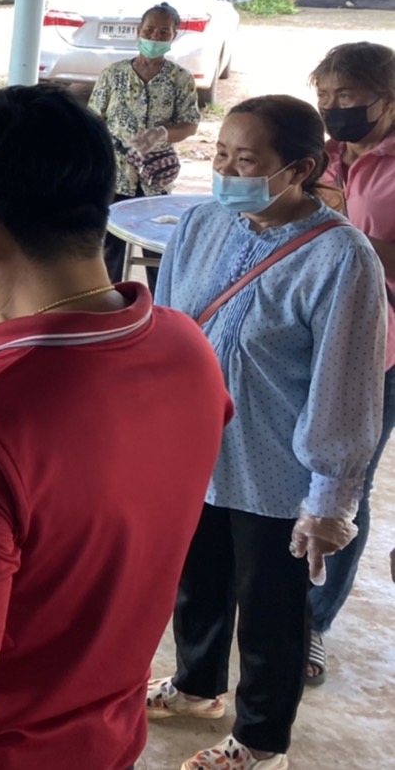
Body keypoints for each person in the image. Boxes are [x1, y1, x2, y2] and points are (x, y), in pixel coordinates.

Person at [0, 85, 232, 770]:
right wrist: (0, 348)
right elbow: (102, 435)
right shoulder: (187, 350)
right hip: (110, 744)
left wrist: (4, 380)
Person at [147, 95, 386, 770]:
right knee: (197, 579)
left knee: (272, 612)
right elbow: (168, 333)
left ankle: (260, 743)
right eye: (220, 154)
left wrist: (330, 499)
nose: (226, 169)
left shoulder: (341, 259)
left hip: (278, 470)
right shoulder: (200, 225)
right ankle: (195, 688)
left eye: (245, 160)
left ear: (300, 168)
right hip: (199, 455)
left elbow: (345, 386)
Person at [304, 43, 395, 683]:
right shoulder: (327, 156)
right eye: (327, 96)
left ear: (387, 100)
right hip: (332, 340)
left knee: (347, 491)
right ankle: (292, 607)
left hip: (388, 348)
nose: (336, 109)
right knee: (319, 480)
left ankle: (312, 622)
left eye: (349, 97)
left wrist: (356, 250)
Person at [87, 2, 201, 286]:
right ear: (138, 32)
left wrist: (161, 134)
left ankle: (159, 310)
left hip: (155, 178)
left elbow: (190, 123)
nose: (155, 37)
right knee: (109, 248)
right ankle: (110, 308)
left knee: (157, 249)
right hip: (114, 176)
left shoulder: (180, 79)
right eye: (149, 30)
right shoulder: (114, 75)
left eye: (164, 32)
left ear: (173, 37)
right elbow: (92, 120)